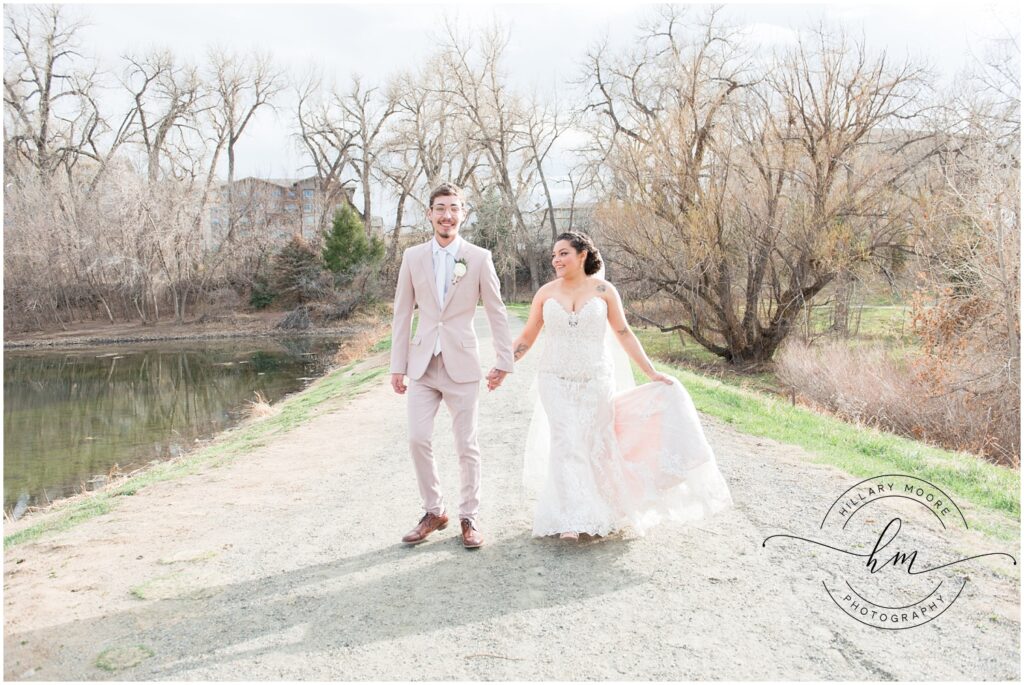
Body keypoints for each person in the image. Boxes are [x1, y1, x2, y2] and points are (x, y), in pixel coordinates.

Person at [512, 231, 732, 540]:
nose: (556, 260)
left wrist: (651, 371)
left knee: (593, 443)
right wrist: (504, 364)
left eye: (562, 253)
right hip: (554, 379)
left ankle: (601, 510)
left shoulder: (604, 291)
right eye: (553, 255)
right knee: (565, 442)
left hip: (596, 380)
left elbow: (624, 332)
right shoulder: (546, 293)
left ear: (582, 255)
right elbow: (528, 335)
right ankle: (569, 519)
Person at [390, 182, 514, 549]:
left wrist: (504, 360)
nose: (447, 215)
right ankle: (434, 511)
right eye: (440, 208)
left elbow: (496, 310)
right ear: (429, 214)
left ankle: (469, 517)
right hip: (422, 364)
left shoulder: (478, 257)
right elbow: (402, 314)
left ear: (463, 214)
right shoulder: (412, 257)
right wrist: (397, 365)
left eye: (454, 208)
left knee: (466, 445)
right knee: (417, 438)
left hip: (462, 363)